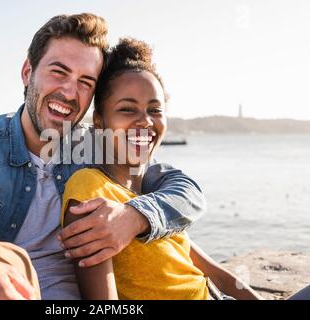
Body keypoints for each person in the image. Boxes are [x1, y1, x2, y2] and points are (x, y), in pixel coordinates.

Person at [0, 13, 206, 300]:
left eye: (85, 82)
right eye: (59, 72)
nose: (70, 93)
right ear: (27, 72)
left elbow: (185, 190)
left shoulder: (96, 146)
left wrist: (134, 216)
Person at [61, 38, 263, 300]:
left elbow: (216, 275)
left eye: (155, 109)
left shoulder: (153, 193)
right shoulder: (89, 188)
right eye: (127, 109)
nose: (145, 121)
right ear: (99, 121)